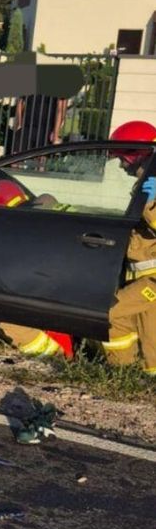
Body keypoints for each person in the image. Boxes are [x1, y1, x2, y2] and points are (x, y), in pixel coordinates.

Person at [0, 179, 75, 360]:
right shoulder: (42, 218)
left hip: (51, 331)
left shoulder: (19, 230)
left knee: (6, 319)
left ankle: (57, 358)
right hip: (62, 295)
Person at [102, 121, 156, 374]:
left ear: (136, 154)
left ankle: (122, 373)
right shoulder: (146, 183)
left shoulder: (153, 187)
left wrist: (152, 202)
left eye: (122, 158)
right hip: (141, 276)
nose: (121, 165)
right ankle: (137, 380)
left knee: (113, 313)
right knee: (150, 344)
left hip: (152, 280)